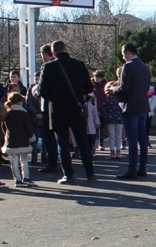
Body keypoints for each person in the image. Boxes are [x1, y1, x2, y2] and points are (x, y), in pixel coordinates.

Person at [36, 39, 96, 184]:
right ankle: (90, 174)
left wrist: (54, 96)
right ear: (66, 49)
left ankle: (68, 175)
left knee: (62, 144)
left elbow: (42, 91)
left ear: (53, 52)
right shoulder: (79, 65)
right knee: (83, 142)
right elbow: (89, 88)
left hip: (58, 109)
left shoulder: (48, 67)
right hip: (76, 108)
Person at [106, 43, 150, 179]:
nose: (123, 57)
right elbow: (146, 87)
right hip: (143, 106)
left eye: (123, 54)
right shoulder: (145, 67)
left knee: (132, 140)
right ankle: (142, 168)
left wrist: (112, 90)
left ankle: (132, 170)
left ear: (128, 53)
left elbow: (124, 87)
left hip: (130, 106)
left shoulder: (128, 66)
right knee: (143, 139)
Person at [33, 44, 59, 173]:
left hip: (48, 105)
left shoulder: (47, 67)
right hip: (61, 104)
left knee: (49, 136)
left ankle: (52, 162)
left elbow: (42, 87)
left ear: (44, 54)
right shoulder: (61, 65)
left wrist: (36, 91)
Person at [2, 92, 35, 187]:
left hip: (11, 139)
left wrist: (6, 135)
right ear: (20, 102)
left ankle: (17, 179)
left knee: (14, 160)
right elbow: (29, 127)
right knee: (24, 159)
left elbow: (3, 127)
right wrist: (31, 136)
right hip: (23, 139)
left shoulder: (7, 113)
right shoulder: (24, 113)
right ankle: (26, 177)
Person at [102, 77, 124, 159]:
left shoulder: (108, 99)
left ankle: (115, 152)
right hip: (117, 119)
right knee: (116, 136)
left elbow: (104, 110)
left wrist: (106, 117)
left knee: (114, 136)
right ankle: (115, 152)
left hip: (112, 119)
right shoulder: (118, 99)